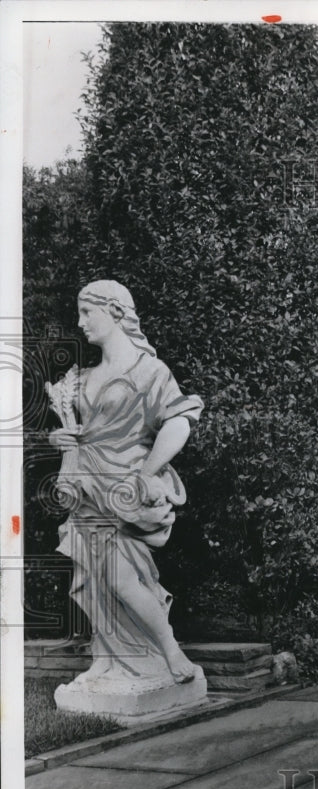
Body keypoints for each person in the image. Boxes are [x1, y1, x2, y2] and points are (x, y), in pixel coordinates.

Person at [48, 280, 203, 688]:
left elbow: (180, 421)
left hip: (126, 492)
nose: (79, 322)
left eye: (87, 312)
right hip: (85, 489)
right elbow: (76, 431)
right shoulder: (81, 377)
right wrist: (59, 439)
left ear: (116, 312)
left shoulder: (149, 371)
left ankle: (170, 651)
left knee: (119, 578)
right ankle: (109, 661)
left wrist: (149, 472)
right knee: (97, 583)